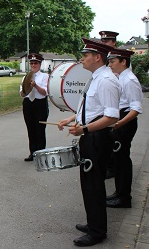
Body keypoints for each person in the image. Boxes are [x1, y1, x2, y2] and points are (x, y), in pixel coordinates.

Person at [58, 38, 119, 247]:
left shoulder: (106, 80)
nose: (81, 59)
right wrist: (71, 119)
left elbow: (111, 117)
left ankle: (97, 231)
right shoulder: (96, 77)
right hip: (90, 136)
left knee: (93, 184)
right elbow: (91, 109)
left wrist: (83, 129)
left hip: (97, 138)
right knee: (90, 184)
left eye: (85, 56)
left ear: (97, 57)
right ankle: (94, 222)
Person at [106, 48, 143, 208]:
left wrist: (119, 123)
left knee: (122, 161)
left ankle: (124, 198)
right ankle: (119, 192)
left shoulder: (129, 80)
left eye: (113, 61)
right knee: (118, 160)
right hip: (120, 120)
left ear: (123, 62)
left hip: (125, 122)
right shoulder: (122, 77)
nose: (110, 64)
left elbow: (135, 108)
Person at [20, 53, 49, 161]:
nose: (33, 65)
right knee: (30, 129)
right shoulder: (26, 77)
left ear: (40, 64)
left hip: (40, 103)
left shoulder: (45, 76)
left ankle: (41, 153)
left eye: (35, 63)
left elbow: (44, 92)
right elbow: (22, 94)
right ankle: (32, 152)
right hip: (28, 103)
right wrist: (25, 88)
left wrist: (35, 86)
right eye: (31, 63)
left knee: (40, 129)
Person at [99, 30, 119, 179]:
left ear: (114, 43)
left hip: (116, 106)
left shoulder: (119, 58)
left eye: (107, 41)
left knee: (115, 143)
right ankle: (107, 166)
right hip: (105, 105)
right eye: (103, 41)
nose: (104, 43)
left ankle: (112, 168)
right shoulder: (104, 60)